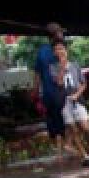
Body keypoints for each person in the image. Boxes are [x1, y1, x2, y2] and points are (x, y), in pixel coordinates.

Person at [53, 42, 89, 166]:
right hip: (64, 101)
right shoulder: (53, 67)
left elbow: (84, 83)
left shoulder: (75, 65)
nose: (60, 51)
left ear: (66, 50)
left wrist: (77, 95)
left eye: (61, 48)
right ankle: (85, 156)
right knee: (74, 130)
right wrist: (62, 67)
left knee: (86, 127)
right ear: (54, 53)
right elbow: (58, 83)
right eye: (57, 49)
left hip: (78, 100)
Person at [32, 24, 68, 159]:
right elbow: (64, 69)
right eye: (61, 33)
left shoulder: (42, 51)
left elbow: (37, 72)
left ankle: (58, 149)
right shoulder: (61, 49)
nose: (62, 35)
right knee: (61, 119)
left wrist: (35, 89)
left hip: (48, 92)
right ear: (56, 35)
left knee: (52, 119)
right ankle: (63, 148)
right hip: (58, 91)